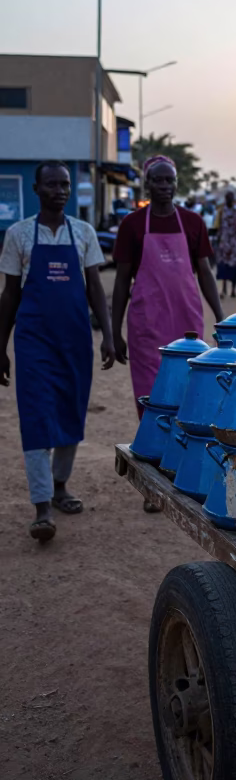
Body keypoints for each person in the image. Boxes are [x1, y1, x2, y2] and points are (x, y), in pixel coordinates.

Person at [0, 161, 117, 542]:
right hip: (33, 343)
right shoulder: (19, 234)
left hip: (74, 341)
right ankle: (42, 507)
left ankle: (60, 485)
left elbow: (95, 288)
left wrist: (109, 335)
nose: (60, 191)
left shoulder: (83, 232)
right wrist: (0, 346)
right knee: (36, 417)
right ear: (36, 189)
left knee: (70, 412)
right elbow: (9, 295)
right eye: (51, 184)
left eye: (65, 184)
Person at [112, 156, 223, 416]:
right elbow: (121, 280)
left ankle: (179, 442)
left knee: (187, 390)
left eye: (169, 180)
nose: (164, 186)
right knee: (149, 393)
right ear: (147, 184)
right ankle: (152, 440)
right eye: (158, 180)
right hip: (146, 324)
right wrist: (114, 332)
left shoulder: (193, 222)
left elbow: (205, 272)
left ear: (176, 184)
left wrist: (221, 318)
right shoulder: (132, 224)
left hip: (187, 322)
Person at [214, 190, 236, 297]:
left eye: (231, 198)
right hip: (224, 241)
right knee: (223, 266)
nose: (230, 200)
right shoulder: (221, 211)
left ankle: (233, 289)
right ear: (225, 199)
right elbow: (217, 226)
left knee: (235, 266)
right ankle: (223, 289)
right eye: (228, 198)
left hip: (235, 241)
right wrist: (217, 240)